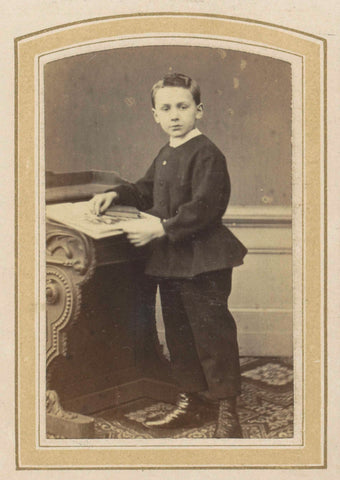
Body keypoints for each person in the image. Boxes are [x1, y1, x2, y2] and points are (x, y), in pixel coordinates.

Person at [88, 73, 247, 438]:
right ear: (155, 116)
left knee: (212, 335)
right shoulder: (166, 153)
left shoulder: (207, 153)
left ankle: (226, 410)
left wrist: (161, 229)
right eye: (166, 108)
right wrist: (116, 195)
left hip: (205, 261)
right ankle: (193, 401)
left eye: (182, 106)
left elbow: (207, 207)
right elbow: (147, 192)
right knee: (179, 334)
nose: (174, 115)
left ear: (199, 110)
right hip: (172, 262)